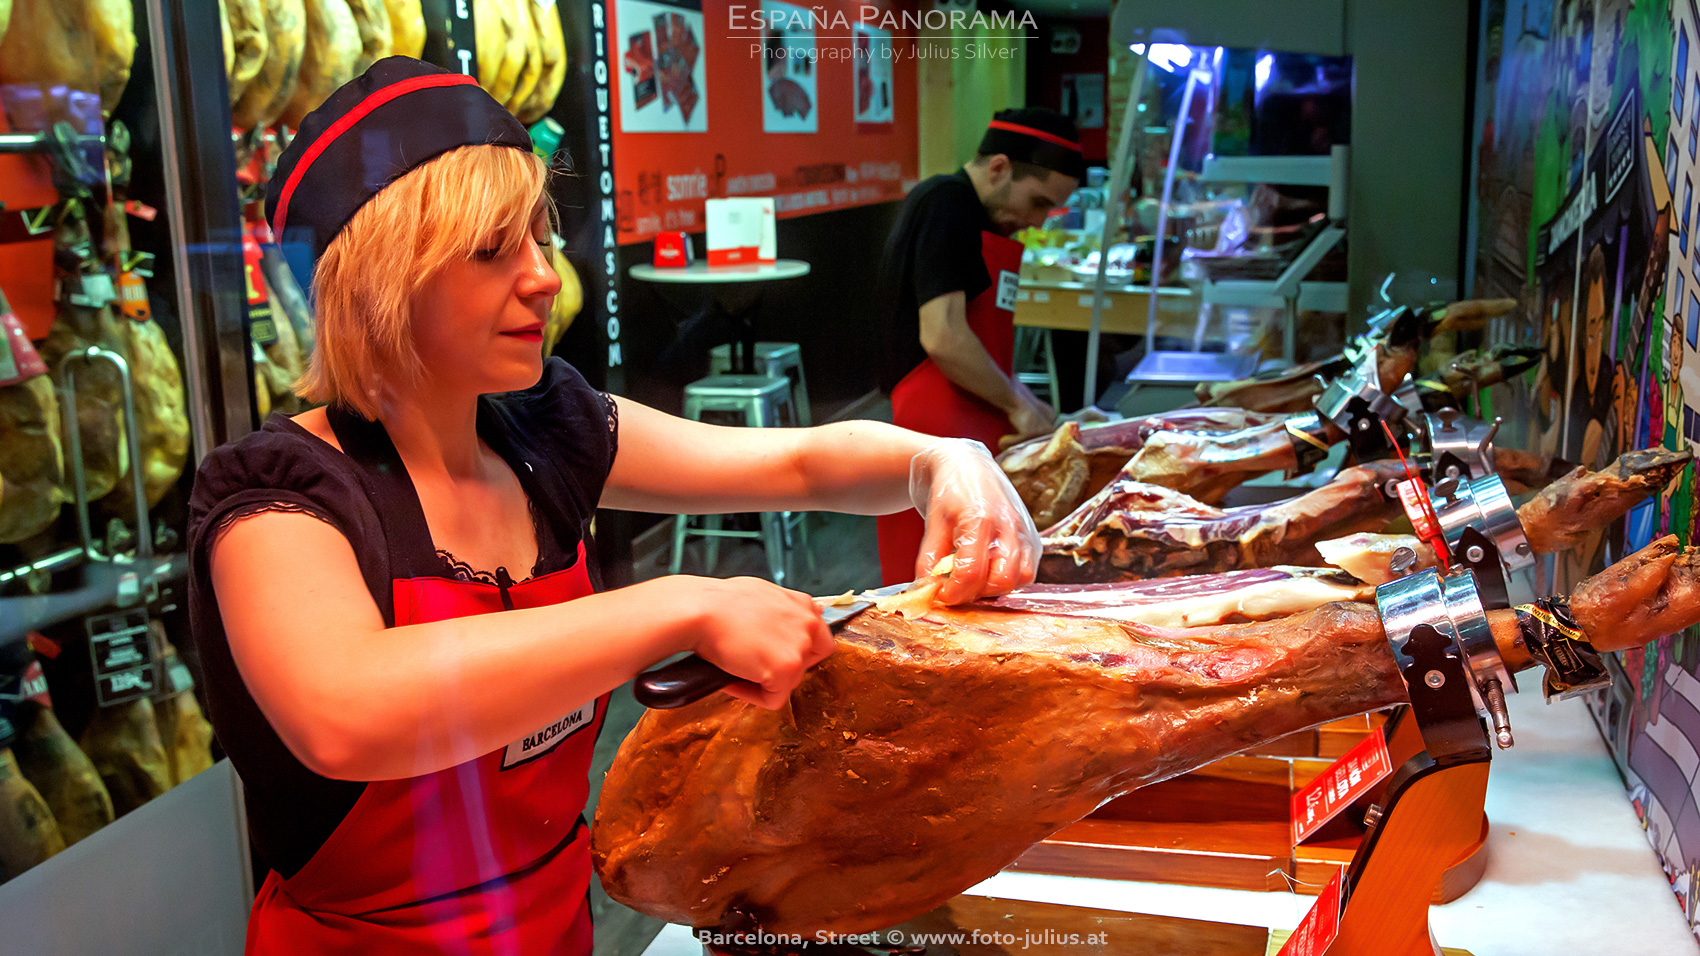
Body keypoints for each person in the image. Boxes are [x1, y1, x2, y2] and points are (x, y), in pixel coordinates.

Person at [186, 58, 1037, 955]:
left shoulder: (542, 430)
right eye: (491, 250)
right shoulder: (278, 494)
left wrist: (947, 459)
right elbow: (348, 713)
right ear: (374, 281)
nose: (545, 277)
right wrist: (681, 602)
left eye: (540, 240)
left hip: (557, 927)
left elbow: (794, 464)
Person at [874, 107, 1084, 585]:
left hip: (968, 426)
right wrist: (1018, 403)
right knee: (930, 588)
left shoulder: (974, 215)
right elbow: (943, 335)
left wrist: (1025, 403)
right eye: (1037, 202)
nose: (1035, 221)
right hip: (934, 432)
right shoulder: (946, 204)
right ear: (999, 168)